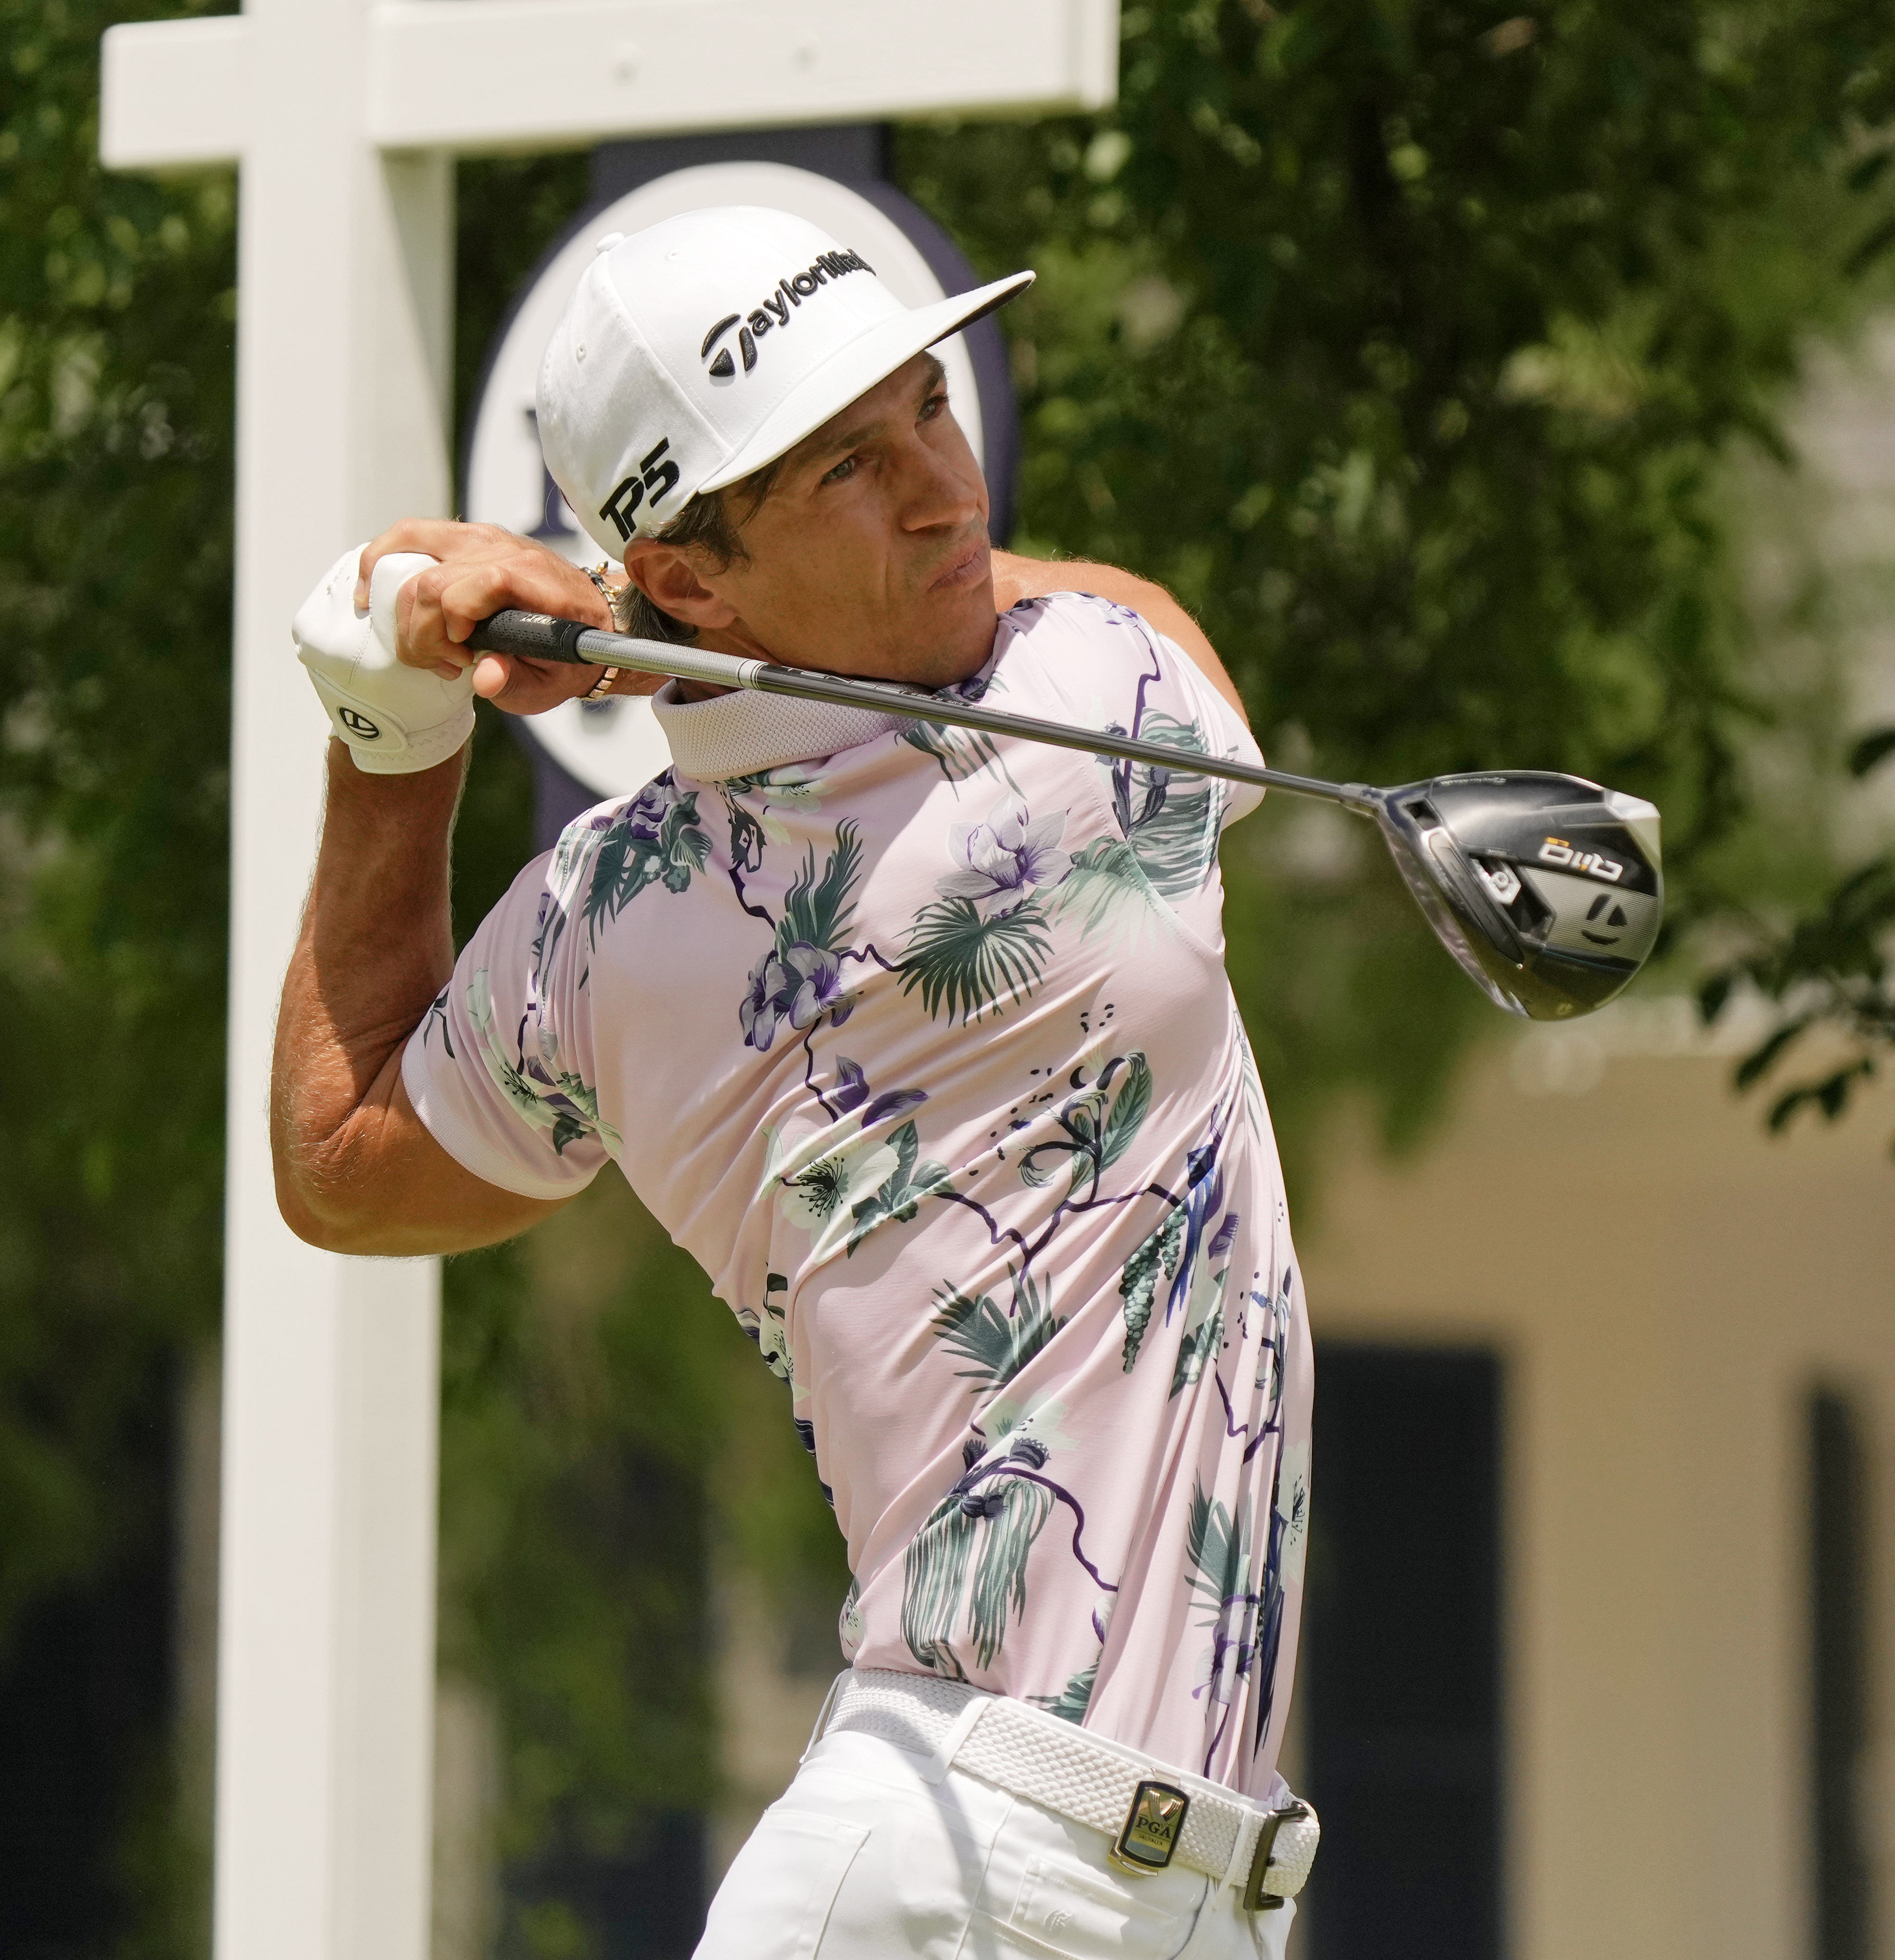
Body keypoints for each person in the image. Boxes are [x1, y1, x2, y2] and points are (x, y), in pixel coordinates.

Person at [272, 205, 1316, 1957]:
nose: (943, 488)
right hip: (973, 1869)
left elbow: (342, 1156)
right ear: (694, 573)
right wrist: (605, 614)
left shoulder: (606, 923)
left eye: (929, 409)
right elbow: (1145, 614)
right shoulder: (1089, 704)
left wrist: (398, 737)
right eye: (850, 463)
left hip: (1080, 1878)